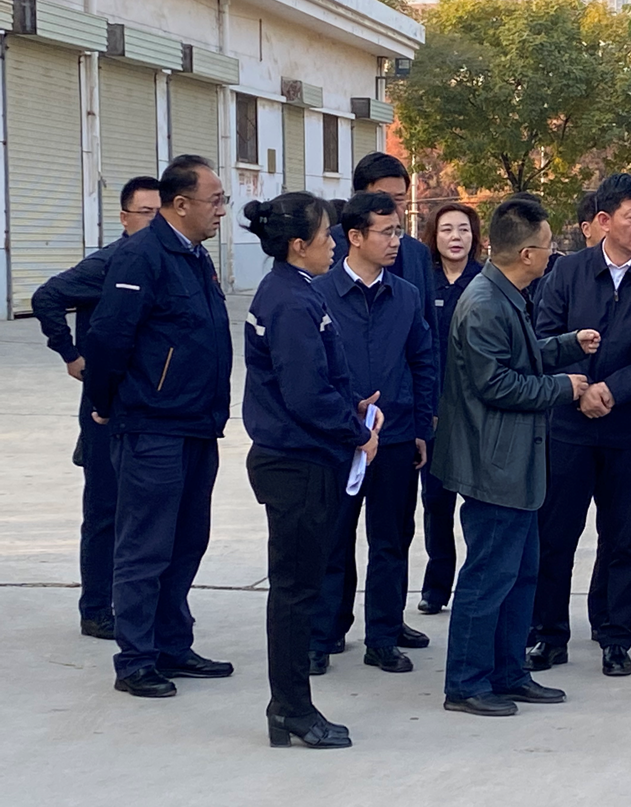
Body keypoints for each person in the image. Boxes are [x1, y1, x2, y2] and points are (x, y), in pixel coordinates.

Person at [434, 196, 600, 716]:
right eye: (548, 247)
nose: (552, 255)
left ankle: (508, 671)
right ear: (527, 254)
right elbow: (496, 384)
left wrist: (568, 344)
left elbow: (520, 355)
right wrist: (563, 387)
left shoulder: (506, 296)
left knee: (520, 574)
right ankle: (466, 682)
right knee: (488, 576)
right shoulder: (485, 303)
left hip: (515, 463)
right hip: (493, 464)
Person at [84, 155, 234, 698]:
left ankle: (173, 643)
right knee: (145, 545)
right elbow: (108, 338)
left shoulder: (195, 255)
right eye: (215, 200)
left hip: (197, 424)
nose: (222, 210)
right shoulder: (141, 256)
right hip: (153, 426)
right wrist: (105, 402)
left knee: (187, 541)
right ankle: (136, 659)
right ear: (181, 204)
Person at [529, 173, 631, 677]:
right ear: (603, 221)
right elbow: (544, 336)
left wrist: (614, 390)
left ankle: (615, 635)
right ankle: (548, 633)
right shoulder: (568, 272)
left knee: (624, 537)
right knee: (556, 534)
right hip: (569, 426)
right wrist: (579, 386)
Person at [242, 192, 381, 749]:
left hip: (303, 457)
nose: (334, 246)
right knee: (296, 592)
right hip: (296, 463)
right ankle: (291, 709)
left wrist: (353, 406)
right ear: (299, 245)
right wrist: (358, 431)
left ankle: (291, 706)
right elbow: (304, 395)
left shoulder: (295, 290)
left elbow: (317, 380)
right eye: (326, 237)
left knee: (297, 587)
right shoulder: (291, 301)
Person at [309, 193, 437, 676]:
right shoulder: (319, 293)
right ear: (355, 237)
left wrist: (421, 425)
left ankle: (383, 637)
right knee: (331, 541)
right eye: (386, 232)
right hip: (337, 439)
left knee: (390, 541)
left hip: (396, 436)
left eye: (398, 231)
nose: (395, 241)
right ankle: (323, 635)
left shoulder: (405, 294)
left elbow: (423, 360)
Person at [32, 176, 161, 641]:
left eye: (160, 212)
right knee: (105, 508)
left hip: (146, 405)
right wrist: (71, 354)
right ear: (124, 218)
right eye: (145, 213)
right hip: (104, 403)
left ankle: (138, 605)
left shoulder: (166, 261)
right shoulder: (109, 262)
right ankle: (96, 609)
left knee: (144, 511)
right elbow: (46, 297)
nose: (154, 221)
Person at [417, 202, 484, 616]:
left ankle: (477, 586)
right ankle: (436, 585)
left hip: (478, 414)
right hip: (435, 413)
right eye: (447, 230)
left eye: (463, 229)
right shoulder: (423, 284)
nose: (456, 237)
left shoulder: (487, 283)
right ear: (434, 236)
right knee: (436, 502)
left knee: (478, 505)